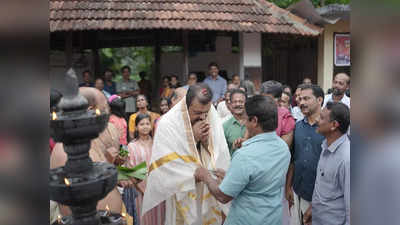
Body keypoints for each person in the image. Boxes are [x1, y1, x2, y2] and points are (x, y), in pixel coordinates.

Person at [142, 83, 231, 225]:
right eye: (197, 113)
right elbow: (166, 165)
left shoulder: (211, 116)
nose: (202, 117)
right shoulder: (168, 123)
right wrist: (193, 137)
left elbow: (218, 152)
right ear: (186, 105)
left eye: (205, 112)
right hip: (183, 190)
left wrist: (205, 142)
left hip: (208, 192)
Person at [194, 95, 291, 225]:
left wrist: (206, 177)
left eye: (246, 119)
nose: (244, 123)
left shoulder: (245, 155)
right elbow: (260, 180)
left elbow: (223, 196)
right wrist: (230, 177)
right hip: (272, 218)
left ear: (254, 121)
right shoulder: (283, 147)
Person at [50, 87, 136, 217]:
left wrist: (117, 169)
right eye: (105, 109)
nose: (109, 115)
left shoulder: (87, 139)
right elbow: (83, 198)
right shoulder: (68, 150)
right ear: (90, 112)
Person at [302, 102, 350, 225]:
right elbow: (324, 187)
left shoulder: (347, 158)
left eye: (322, 117)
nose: (317, 120)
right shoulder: (325, 146)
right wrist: (313, 208)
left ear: (334, 125)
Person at [285, 84, 325, 225]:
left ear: (319, 100)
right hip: (298, 190)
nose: (301, 103)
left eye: (306, 98)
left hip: (321, 197)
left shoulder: (329, 128)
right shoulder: (297, 127)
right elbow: (294, 160)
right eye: (300, 99)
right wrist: (288, 187)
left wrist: (316, 204)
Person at [127, 114, 165, 225]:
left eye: (147, 124)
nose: (145, 126)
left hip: (159, 189)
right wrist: (142, 189)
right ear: (136, 127)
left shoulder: (157, 143)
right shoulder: (131, 146)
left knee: (161, 217)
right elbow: (130, 170)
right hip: (141, 190)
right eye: (141, 124)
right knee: (145, 218)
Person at [260, 80, 295, 147]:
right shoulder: (255, 112)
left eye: (269, 99)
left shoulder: (286, 117)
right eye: (262, 98)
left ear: (279, 100)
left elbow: (283, 147)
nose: (264, 102)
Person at [223, 89, 247, 156]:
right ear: (230, 104)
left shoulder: (253, 123)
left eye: (241, 101)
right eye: (235, 102)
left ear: (246, 103)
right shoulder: (225, 126)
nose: (238, 104)